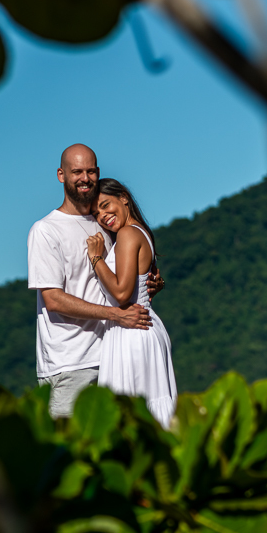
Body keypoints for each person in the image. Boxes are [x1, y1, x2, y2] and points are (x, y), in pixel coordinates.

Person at [27, 144, 162, 418]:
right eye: (76, 171)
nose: (84, 178)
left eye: (90, 171)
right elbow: (53, 299)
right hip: (70, 362)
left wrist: (150, 286)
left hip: (115, 356)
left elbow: (121, 283)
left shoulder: (107, 223)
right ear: (61, 175)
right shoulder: (46, 230)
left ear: (98, 173)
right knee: (70, 451)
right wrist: (116, 314)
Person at [85, 179, 177, 428]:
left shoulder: (127, 233)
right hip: (142, 326)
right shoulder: (140, 232)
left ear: (124, 197)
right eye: (97, 213)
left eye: (106, 205)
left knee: (132, 416)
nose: (103, 216)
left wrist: (96, 259)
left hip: (132, 332)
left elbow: (122, 293)